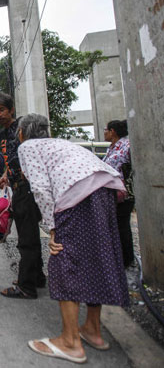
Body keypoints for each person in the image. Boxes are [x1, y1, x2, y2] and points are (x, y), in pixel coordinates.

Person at [15, 114, 129, 364]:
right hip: (105, 190)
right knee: (94, 258)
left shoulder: (27, 147)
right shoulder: (58, 144)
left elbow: (41, 189)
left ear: (22, 133)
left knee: (63, 257)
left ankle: (70, 342)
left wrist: (51, 228)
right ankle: (92, 330)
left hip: (77, 194)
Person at [0, 93, 45, 299]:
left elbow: (34, 153)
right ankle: (37, 277)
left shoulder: (23, 126)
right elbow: (11, 160)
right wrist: (5, 175)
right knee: (29, 234)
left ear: (11, 109)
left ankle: (26, 286)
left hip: (27, 186)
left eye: (1, 110)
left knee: (26, 239)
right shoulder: (3, 135)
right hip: (18, 185)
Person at [102, 119, 135, 268]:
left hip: (123, 193)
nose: (104, 133)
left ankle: (127, 260)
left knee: (122, 226)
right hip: (113, 194)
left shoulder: (126, 146)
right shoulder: (112, 147)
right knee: (116, 225)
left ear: (112, 131)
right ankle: (120, 257)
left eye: (106, 130)